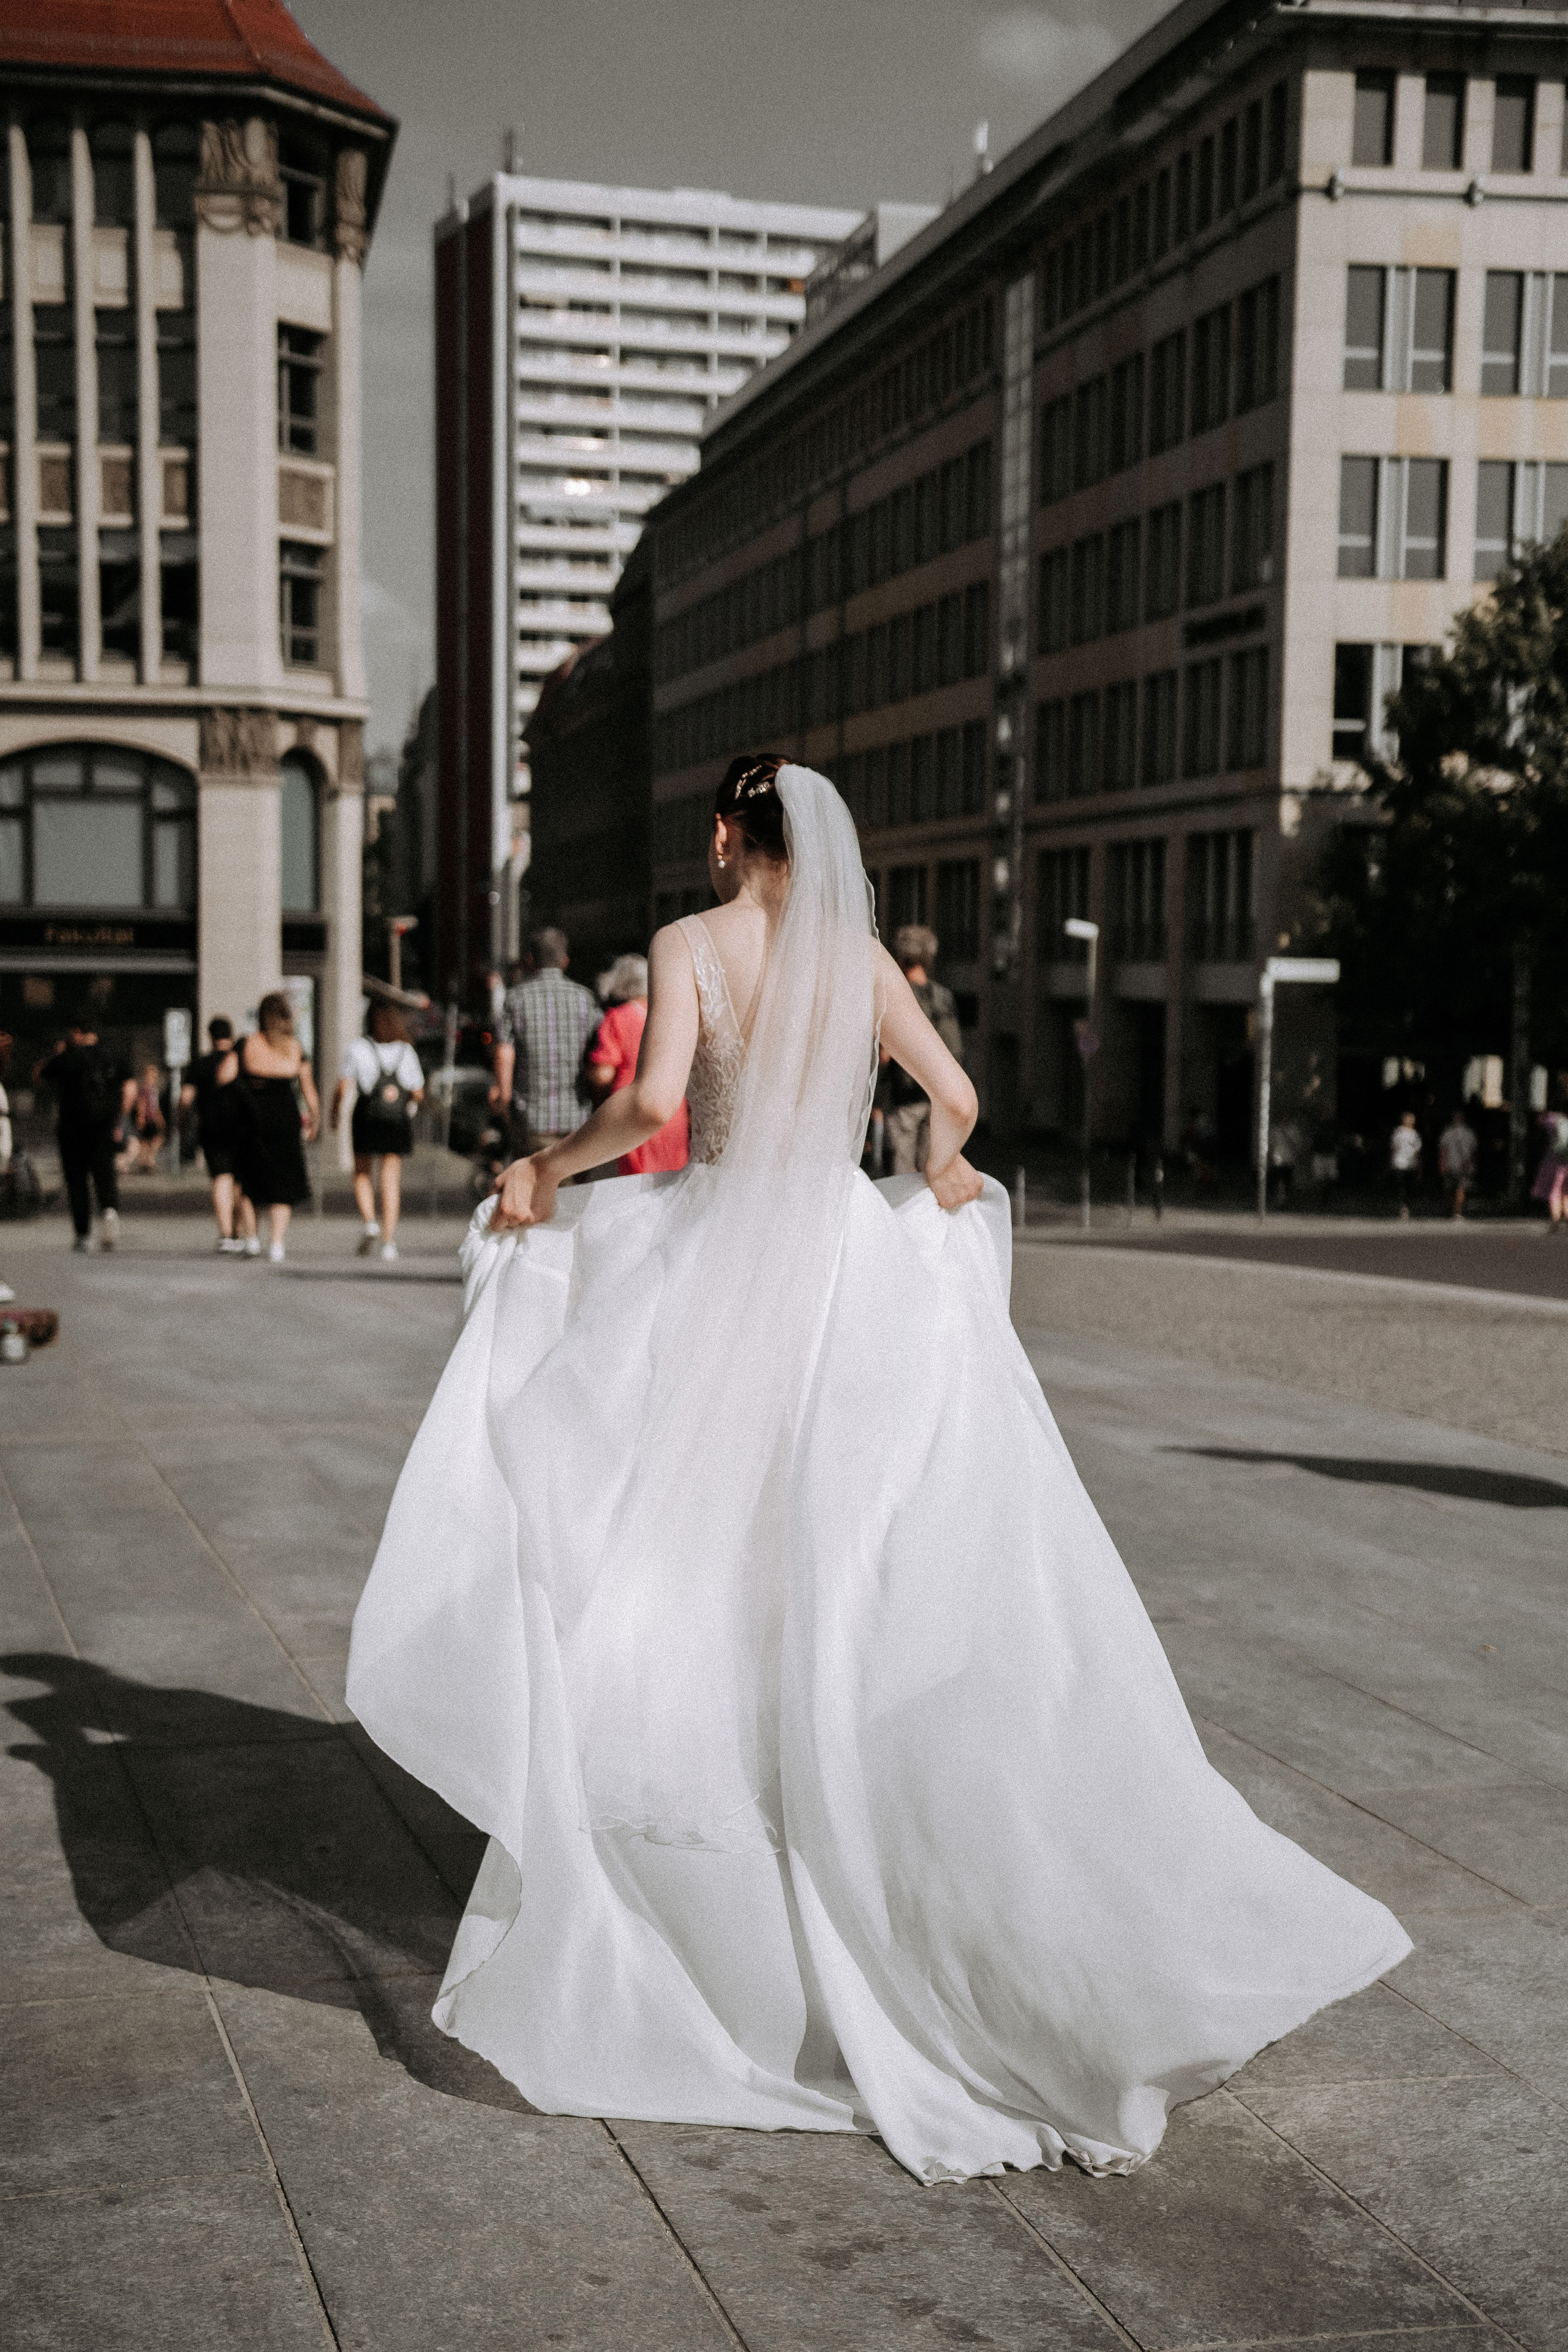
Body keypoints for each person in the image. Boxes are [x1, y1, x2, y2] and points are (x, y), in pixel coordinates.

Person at [347, 754, 1409, 2189]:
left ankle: (712, 1899)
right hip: (843, 1261)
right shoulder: (855, 960)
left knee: (689, 1559)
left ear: (729, 834)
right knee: (834, 1562)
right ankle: (857, 1828)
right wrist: (947, 1170)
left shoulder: (686, 942)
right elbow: (954, 1096)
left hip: (714, 1258)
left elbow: (651, 1098)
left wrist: (548, 1169)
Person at [491, 928, 600, 1157]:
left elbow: (504, 1053)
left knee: (537, 1188)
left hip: (530, 1119)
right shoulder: (585, 999)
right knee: (572, 1190)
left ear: (530, 960)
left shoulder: (516, 999)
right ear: (565, 961)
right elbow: (599, 1050)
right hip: (576, 1120)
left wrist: (504, 1099)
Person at [330, 1006, 426, 1261]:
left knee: (362, 1171)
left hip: (366, 1116)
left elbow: (343, 1086)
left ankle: (370, 1222)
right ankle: (389, 1242)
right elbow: (419, 1092)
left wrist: (335, 1113)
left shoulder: (358, 1048)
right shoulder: (406, 1051)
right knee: (390, 1180)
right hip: (396, 1120)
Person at [34, 1016, 134, 1253]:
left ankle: (83, 1235)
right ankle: (109, 1212)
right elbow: (130, 1090)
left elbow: (39, 1077)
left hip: (72, 1129)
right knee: (105, 1174)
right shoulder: (115, 1056)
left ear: (76, 1032)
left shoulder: (67, 1058)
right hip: (104, 1127)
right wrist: (118, 1121)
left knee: (77, 1182)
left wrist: (57, 1052)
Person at [233, 993, 318, 1263]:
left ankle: (251, 1239)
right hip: (285, 1116)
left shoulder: (249, 1043)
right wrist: (314, 1117)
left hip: (253, 1116)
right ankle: (277, 1243)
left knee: (250, 1178)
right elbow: (307, 1086)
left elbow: (230, 1073)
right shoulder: (294, 1047)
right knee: (284, 1180)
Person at [586, 954, 690, 1175]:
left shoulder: (617, 1017)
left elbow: (603, 1073)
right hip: (672, 1107)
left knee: (636, 1186)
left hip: (634, 1108)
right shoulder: (669, 1017)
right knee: (670, 1182)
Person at [878, 924, 963, 1175]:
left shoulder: (898, 994)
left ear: (901, 957)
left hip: (904, 1098)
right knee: (929, 1176)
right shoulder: (944, 996)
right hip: (939, 1098)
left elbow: (886, 1055)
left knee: (901, 1176)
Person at [180, 1017, 257, 1256]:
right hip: (242, 1128)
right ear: (231, 1036)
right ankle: (242, 1231)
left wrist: (181, 1121)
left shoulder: (200, 1065)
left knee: (221, 1180)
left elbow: (185, 1099)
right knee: (240, 1183)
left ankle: (226, 1235)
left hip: (212, 1129)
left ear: (211, 1037)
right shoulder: (241, 1061)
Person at [1531, 1101, 1568, 1230]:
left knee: (1555, 1190)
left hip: (1555, 1160)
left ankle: (1556, 1221)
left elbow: (1539, 1127)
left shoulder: (1551, 1120)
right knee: (1566, 1191)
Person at [1437, 1106, 1479, 1221]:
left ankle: (1449, 1210)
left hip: (1450, 1164)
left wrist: (1442, 1164)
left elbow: (1442, 1150)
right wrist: (1473, 1165)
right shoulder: (1470, 1133)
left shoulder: (1447, 1133)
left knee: (1449, 1188)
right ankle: (1457, 1212)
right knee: (1461, 1189)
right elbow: (1474, 1151)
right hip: (1464, 1165)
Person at [128, 1062, 167, 1173]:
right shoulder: (144, 1089)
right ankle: (146, 1163)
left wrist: (160, 1118)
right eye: (152, 1076)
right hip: (147, 1118)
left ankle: (147, 1162)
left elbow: (156, 1106)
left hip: (153, 1118)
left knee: (152, 1140)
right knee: (146, 1141)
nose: (154, 1078)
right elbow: (142, 1104)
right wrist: (141, 1118)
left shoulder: (154, 1089)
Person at [1389, 1108, 1422, 1218]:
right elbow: (1393, 1148)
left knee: (1410, 1187)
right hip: (1399, 1162)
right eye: (1408, 1119)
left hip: (1411, 1163)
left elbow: (1418, 1151)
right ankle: (1402, 1207)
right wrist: (1392, 1161)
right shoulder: (1398, 1132)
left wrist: (1419, 1164)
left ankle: (1406, 1207)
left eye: (1412, 1119)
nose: (1410, 1121)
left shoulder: (1415, 1134)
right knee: (1401, 1187)